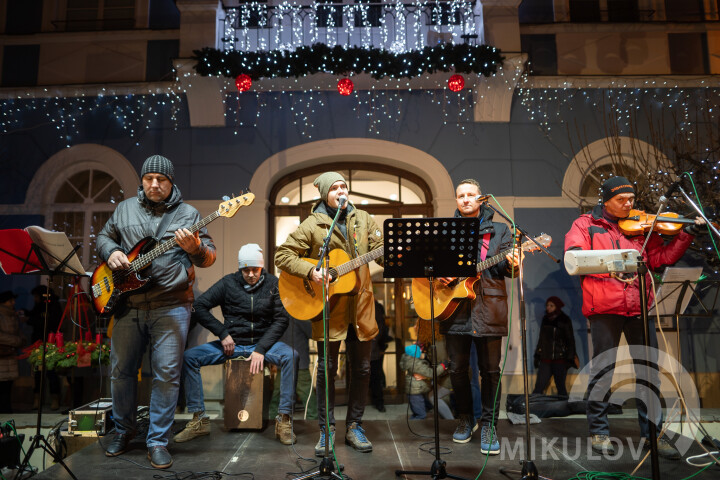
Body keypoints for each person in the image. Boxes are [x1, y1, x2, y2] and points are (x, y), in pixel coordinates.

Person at [565, 176, 705, 459]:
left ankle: (652, 434)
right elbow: (575, 257)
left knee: (648, 372)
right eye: (621, 200)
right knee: (603, 371)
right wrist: (619, 259)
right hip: (605, 308)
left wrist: (685, 234)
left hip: (639, 305)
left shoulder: (642, 226)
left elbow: (659, 259)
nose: (629, 204)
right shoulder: (584, 225)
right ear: (605, 200)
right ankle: (599, 432)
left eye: (631, 198)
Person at [97, 155, 216, 469]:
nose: (153, 184)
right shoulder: (124, 209)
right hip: (127, 304)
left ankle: (158, 441)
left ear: (171, 181)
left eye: (160, 180)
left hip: (171, 305)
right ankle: (123, 431)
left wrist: (195, 249)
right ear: (142, 180)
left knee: (166, 377)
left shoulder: (188, 213)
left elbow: (209, 257)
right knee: (121, 374)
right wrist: (112, 252)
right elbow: (104, 237)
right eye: (148, 178)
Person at [275, 171, 383, 456]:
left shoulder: (363, 219)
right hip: (329, 308)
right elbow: (282, 255)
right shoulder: (313, 224)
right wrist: (312, 271)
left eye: (343, 186)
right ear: (325, 194)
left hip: (361, 305)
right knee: (326, 370)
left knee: (361, 369)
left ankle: (355, 426)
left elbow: (380, 252)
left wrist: (396, 252)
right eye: (334, 188)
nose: (340, 190)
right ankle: (326, 430)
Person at [175, 243, 298, 445]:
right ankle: (199, 420)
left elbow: (281, 320)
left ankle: (284, 420)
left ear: (262, 267)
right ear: (240, 268)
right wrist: (223, 334)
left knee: (291, 356)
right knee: (189, 358)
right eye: (245, 269)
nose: (250, 274)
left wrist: (261, 348)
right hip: (232, 344)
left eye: (255, 269)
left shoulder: (274, 285)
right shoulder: (228, 283)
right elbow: (199, 306)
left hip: (262, 345)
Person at [438, 178, 521, 454]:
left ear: (481, 198)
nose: (465, 199)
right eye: (460, 195)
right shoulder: (447, 231)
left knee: (490, 372)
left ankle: (489, 425)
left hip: (489, 309)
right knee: (458, 369)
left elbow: (506, 272)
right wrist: (440, 272)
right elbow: (433, 263)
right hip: (454, 309)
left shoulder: (500, 230)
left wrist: (514, 265)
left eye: (470, 195)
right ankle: (465, 418)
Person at [270, 316, 317, 420]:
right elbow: (313, 333)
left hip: (284, 362)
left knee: (278, 394)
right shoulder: (299, 317)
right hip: (298, 362)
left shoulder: (278, 318)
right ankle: (312, 420)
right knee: (306, 394)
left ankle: (272, 419)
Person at [532, 296, 577, 397]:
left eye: (551, 305)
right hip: (546, 358)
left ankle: (564, 408)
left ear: (557, 306)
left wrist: (570, 357)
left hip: (559, 358)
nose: (548, 307)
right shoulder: (545, 319)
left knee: (560, 386)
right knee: (539, 386)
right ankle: (534, 406)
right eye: (547, 305)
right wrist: (537, 354)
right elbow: (541, 338)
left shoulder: (564, 320)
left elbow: (570, 340)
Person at [26, 285, 62, 410]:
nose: (35, 299)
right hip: (38, 343)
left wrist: (30, 320)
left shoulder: (53, 306)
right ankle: (37, 399)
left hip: (50, 343)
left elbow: (50, 321)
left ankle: (54, 399)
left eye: (36, 297)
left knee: (51, 372)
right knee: (38, 372)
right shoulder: (39, 306)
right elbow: (34, 315)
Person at [400, 343, 451, 420]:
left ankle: (414, 422)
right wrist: (443, 366)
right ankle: (411, 427)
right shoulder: (416, 364)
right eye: (419, 352)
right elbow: (431, 373)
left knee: (418, 410)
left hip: (416, 390)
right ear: (416, 354)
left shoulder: (409, 360)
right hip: (416, 392)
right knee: (421, 415)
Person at [0, 290, 23, 413]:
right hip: (3, 354)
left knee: (8, 386)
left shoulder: (12, 315)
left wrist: (20, 339)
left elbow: (17, 331)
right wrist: (15, 340)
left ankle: (7, 410)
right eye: (10, 301)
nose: (13, 303)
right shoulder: (2, 315)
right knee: (2, 386)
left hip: (11, 355)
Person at [369, 300, 390, 412]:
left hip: (373, 346)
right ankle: (378, 402)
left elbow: (380, 325)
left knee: (376, 376)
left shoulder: (375, 305)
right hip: (370, 345)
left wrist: (375, 341)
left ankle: (378, 401)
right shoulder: (375, 305)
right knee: (374, 375)